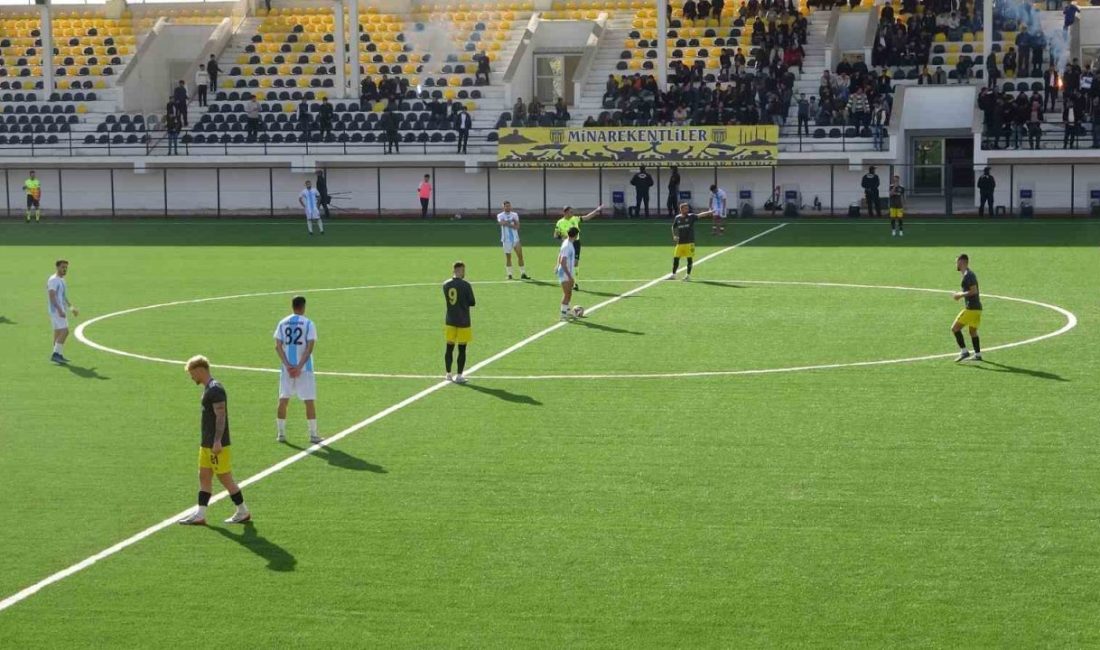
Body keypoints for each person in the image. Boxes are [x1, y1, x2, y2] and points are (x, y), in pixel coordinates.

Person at [177, 355, 251, 525]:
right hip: (206, 443)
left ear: (200, 370)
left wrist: (217, 441)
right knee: (204, 476)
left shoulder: (215, 390)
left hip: (216, 444)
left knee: (225, 478)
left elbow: (221, 416)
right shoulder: (209, 388)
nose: (191, 377)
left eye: (192, 373)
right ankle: (200, 514)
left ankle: (243, 510)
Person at [274, 295, 321, 445]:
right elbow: (309, 348)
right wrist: (299, 367)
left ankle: (281, 434)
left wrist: (288, 365)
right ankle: (313, 435)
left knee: (283, 399)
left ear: (292, 306)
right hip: (304, 369)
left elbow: (278, 346)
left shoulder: (282, 323)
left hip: (286, 370)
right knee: (309, 400)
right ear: (303, 306)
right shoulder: (308, 323)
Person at [553, 204, 602, 291]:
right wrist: (562, 238)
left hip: (576, 243)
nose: (572, 213)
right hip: (566, 244)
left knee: (575, 263)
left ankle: (575, 282)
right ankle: (563, 278)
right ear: (565, 212)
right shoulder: (559, 222)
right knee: (565, 262)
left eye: (572, 211)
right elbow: (555, 235)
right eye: (571, 212)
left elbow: (586, 217)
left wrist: (596, 211)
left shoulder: (575, 219)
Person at [443, 261, 476, 383]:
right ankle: (459, 375)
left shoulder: (445, 285)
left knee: (449, 347)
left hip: (450, 320)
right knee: (462, 349)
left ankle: (448, 374)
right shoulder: (466, 285)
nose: (464, 272)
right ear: (459, 271)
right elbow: (472, 302)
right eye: (463, 270)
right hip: (463, 321)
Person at [669, 203, 715, 281]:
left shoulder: (691, 217)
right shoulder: (677, 218)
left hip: (689, 243)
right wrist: (674, 235)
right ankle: (673, 275)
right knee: (676, 259)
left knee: (689, 259)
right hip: (680, 243)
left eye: (688, 208)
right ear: (681, 209)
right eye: (686, 208)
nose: (687, 210)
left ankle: (688, 276)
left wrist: (710, 212)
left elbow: (700, 215)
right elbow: (673, 227)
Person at [951, 254, 983, 362]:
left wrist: (960, 295)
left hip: (971, 309)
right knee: (973, 332)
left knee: (955, 328)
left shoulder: (969, 275)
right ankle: (978, 354)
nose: (956, 264)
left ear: (962, 262)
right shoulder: (967, 274)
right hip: (977, 309)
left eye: (957, 262)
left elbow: (974, 291)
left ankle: (964, 351)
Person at [47, 259, 77, 364]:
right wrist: (59, 310)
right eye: (63, 267)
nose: (65, 269)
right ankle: (55, 354)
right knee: (65, 331)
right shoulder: (53, 280)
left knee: (58, 332)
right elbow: (52, 295)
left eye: (66, 267)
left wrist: (71, 308)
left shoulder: (62, 280)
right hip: (56, 310)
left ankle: (58, 354)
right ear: (57, 267)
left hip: (58, 310)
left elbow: (63, 296)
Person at [497, 200, 529, 280]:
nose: (508, 207)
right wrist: (511, 222)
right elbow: (501, 223)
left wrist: (507, 223)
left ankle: (523, 273)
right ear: (503, 207)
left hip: (516, 239)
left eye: (509, 206)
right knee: (508, 257)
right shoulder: (500, 215)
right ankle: (509, 274)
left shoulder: (515, 214)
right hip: (506, 240)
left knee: (520, 256)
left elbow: (517, 226)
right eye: (506, 206)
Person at [555, 227, 579, 321]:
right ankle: (563, 315)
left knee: (569, 293)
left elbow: (560, 255)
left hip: (567, 272)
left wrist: (556, 265)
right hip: (565, 273)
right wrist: (570, 277)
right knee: (566, 294)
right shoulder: (567, 246)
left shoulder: (567, 243)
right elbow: (563, 261)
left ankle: (567, 311)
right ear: (576, 235)